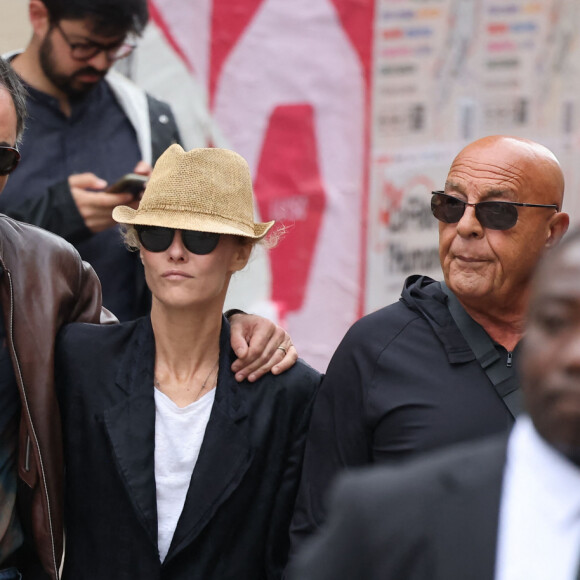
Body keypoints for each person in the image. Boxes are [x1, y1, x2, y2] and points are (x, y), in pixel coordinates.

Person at [0, 57, 298, 580]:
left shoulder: (46, 273)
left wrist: (233, 325)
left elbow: (140, 355)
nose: (176, 252)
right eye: (158, 234)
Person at [54, 145, 321, 579]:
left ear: (240, 253)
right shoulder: (80, 360)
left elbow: (291, 549)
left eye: (199, 237)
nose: (176, 252)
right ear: (140, 247)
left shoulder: (290, 393)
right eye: (157, 234)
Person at [290, 135, 570, 547]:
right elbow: (318, 537)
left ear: (551, 233)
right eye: (450, 205)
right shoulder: (374, 348)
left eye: (497, 211)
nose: (467, 226)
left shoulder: (570, 349)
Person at [1, 0, 180, 320]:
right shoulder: (4, 111)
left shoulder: (149, 121)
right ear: (39, 16)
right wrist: (57, 215)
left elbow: (194, 255)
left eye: (114, 49)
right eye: (84, 47)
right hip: (13, 356)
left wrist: (162, 217)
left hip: (125, 352)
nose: (99, 63)